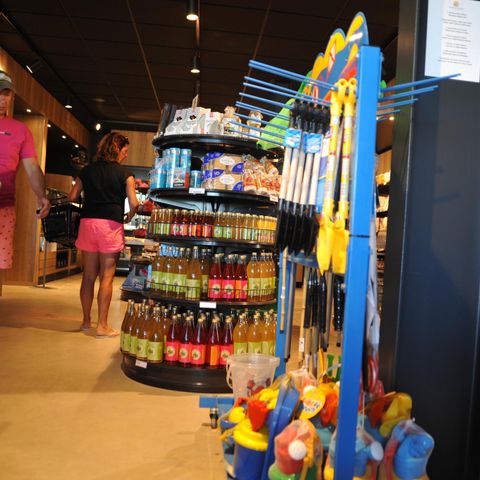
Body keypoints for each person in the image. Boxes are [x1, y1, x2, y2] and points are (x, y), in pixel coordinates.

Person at [68, 132, 139, 337]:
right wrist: (130, 215)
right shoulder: (125, 173)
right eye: (125, 151)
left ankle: (85, 321)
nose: (126, 155)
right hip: (110, 226)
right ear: (117, 149)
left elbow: (72, 196)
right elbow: (134, 203)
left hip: (88, 224)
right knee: (106, 277)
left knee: (88, 276)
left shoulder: (87, 170)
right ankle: (102, 325)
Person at [0, 70, 50, 292]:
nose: (3, 98)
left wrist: (41, 196)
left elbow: (32, 168)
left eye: (6, 93)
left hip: (5, 206)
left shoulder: (20, 130)